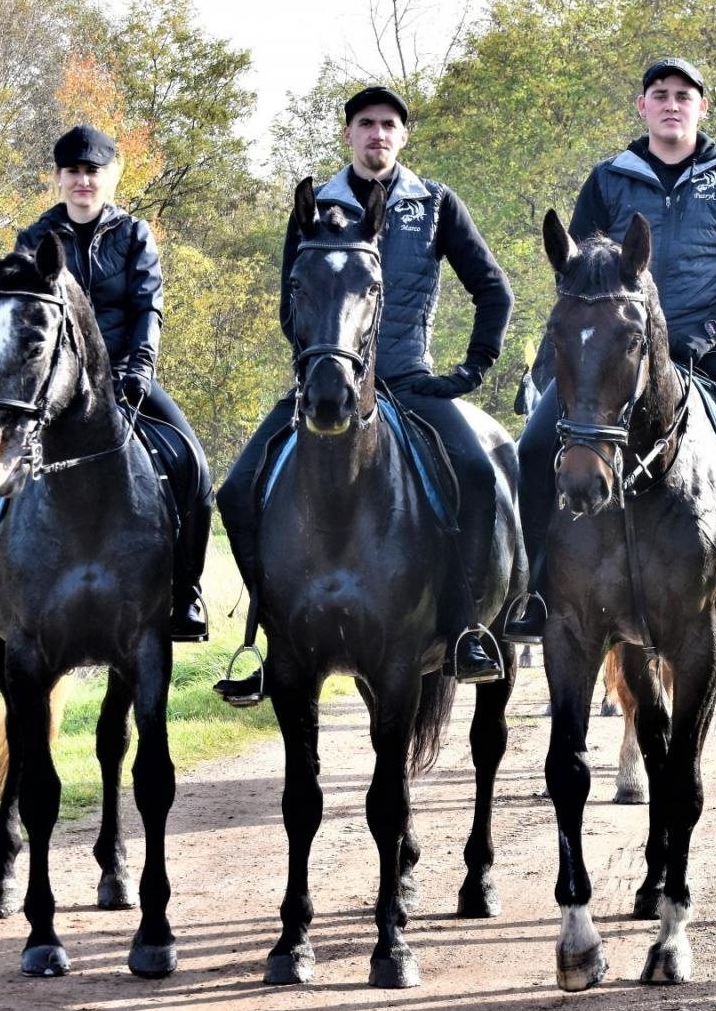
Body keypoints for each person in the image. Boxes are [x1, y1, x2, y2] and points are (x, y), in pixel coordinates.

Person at [506, 57, 716, 641]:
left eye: (684, 95)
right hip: (613, 352)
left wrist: (711, 330)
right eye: (660, 94)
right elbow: (576, 270)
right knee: (530, 449)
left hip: (707, 343)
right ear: (643, 106)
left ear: (701, 107)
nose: (672, 103)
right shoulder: (607, 178)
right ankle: (536, 592)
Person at [214, 85, 514, 696]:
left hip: (410, 380)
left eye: (388, 125)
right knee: (237, 488)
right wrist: (319, 364)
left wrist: (470, 371)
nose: (377, 134)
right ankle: (269, 637)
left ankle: (463, 629)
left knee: (479, 477)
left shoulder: (434, 203)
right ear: (348, 135)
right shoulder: (312, 206)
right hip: (325, 381)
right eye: (365, 124)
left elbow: (494, 291)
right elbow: (288, 305)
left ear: (403, 136)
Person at [0, 124, 214, 643]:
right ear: (58, 178)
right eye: (73, 172)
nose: (83, 180)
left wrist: (140, 369)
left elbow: (148, 307)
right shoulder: (34, 238)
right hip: (47, 389)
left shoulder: (134, 235)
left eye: (93, 171)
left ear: (111, 176)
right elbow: (17, 322)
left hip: (124, 380)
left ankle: (186, 591)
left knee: (194, 461)